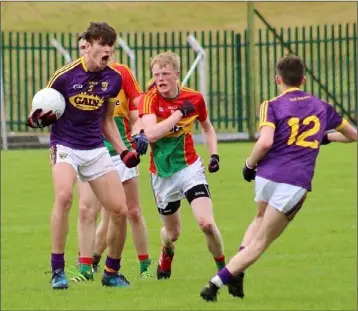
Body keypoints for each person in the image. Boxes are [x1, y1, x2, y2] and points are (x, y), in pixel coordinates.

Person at [200, 54, 357, 302]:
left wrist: (249, 165)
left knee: (259, 218)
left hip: (267, 175)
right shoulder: (321, 107)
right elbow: (352, 135)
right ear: (303, 79)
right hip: (294, 182)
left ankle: (237, 271)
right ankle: (216, 283)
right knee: (261, 243)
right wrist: (324, 137)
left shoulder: (270, 105)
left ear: (278, 79)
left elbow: (265, 142)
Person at [27, 21, 145, 290]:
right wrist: (36, 119)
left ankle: (111, 272)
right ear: (88, 46)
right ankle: (57, 269)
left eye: (110, 47)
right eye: (102, 45)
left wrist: (123, 150)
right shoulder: (64, 76)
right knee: (65, 197)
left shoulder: (113, 78)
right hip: (65, 145)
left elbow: (107, 121)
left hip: (94, 148)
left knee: (119, 210)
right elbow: (42, 109)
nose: (107, 52)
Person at [138, 51, 227, 280]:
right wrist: (178, 114)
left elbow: (207, 127)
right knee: (172, 233)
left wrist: (214, 154)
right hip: (161, 174)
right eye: (156, 74)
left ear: (177, 74)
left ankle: (225, 272)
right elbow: (151, 134)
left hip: (190, 168)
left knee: (206, 223)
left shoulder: (194, 98)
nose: (160, 79)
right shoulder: (149, 99)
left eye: (165, 73)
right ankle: (166, 253)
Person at [72, 32, 152, 282]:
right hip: (89, 151)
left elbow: (138, 110)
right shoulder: (73, 77)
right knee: (88, 210)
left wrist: (140, 132)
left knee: (130, 211)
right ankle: (85, 266)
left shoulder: (120, 74)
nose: (86, 51)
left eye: (89, 46)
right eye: (82, 48)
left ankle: (145, 266)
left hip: (121, 152)